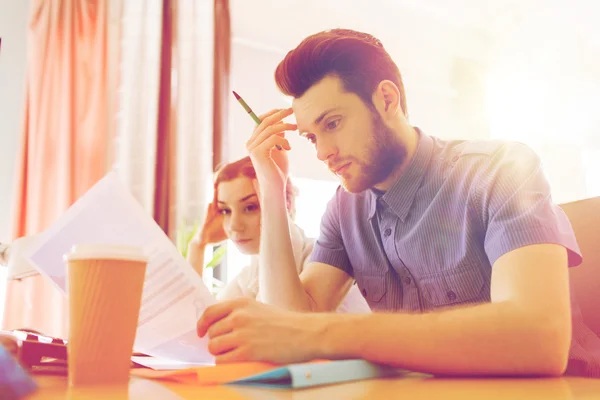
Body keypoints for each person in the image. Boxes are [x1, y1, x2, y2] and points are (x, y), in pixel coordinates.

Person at [196, 28, 600, 377]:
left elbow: (538, 339)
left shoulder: (501, 170)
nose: (323, 153)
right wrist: (270, 182)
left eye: (332, 124)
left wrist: (329, 336)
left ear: (387, 100)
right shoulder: (345, 208)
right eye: (311, 137)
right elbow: (293, 321)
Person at [187, 154, 370, 313]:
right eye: (225, 211)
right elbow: (200, 329)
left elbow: (284, 324)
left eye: (250, 207)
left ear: (286, 203)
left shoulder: (326, 261)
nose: (234, 226)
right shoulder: (249, 277)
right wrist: (198, 245)